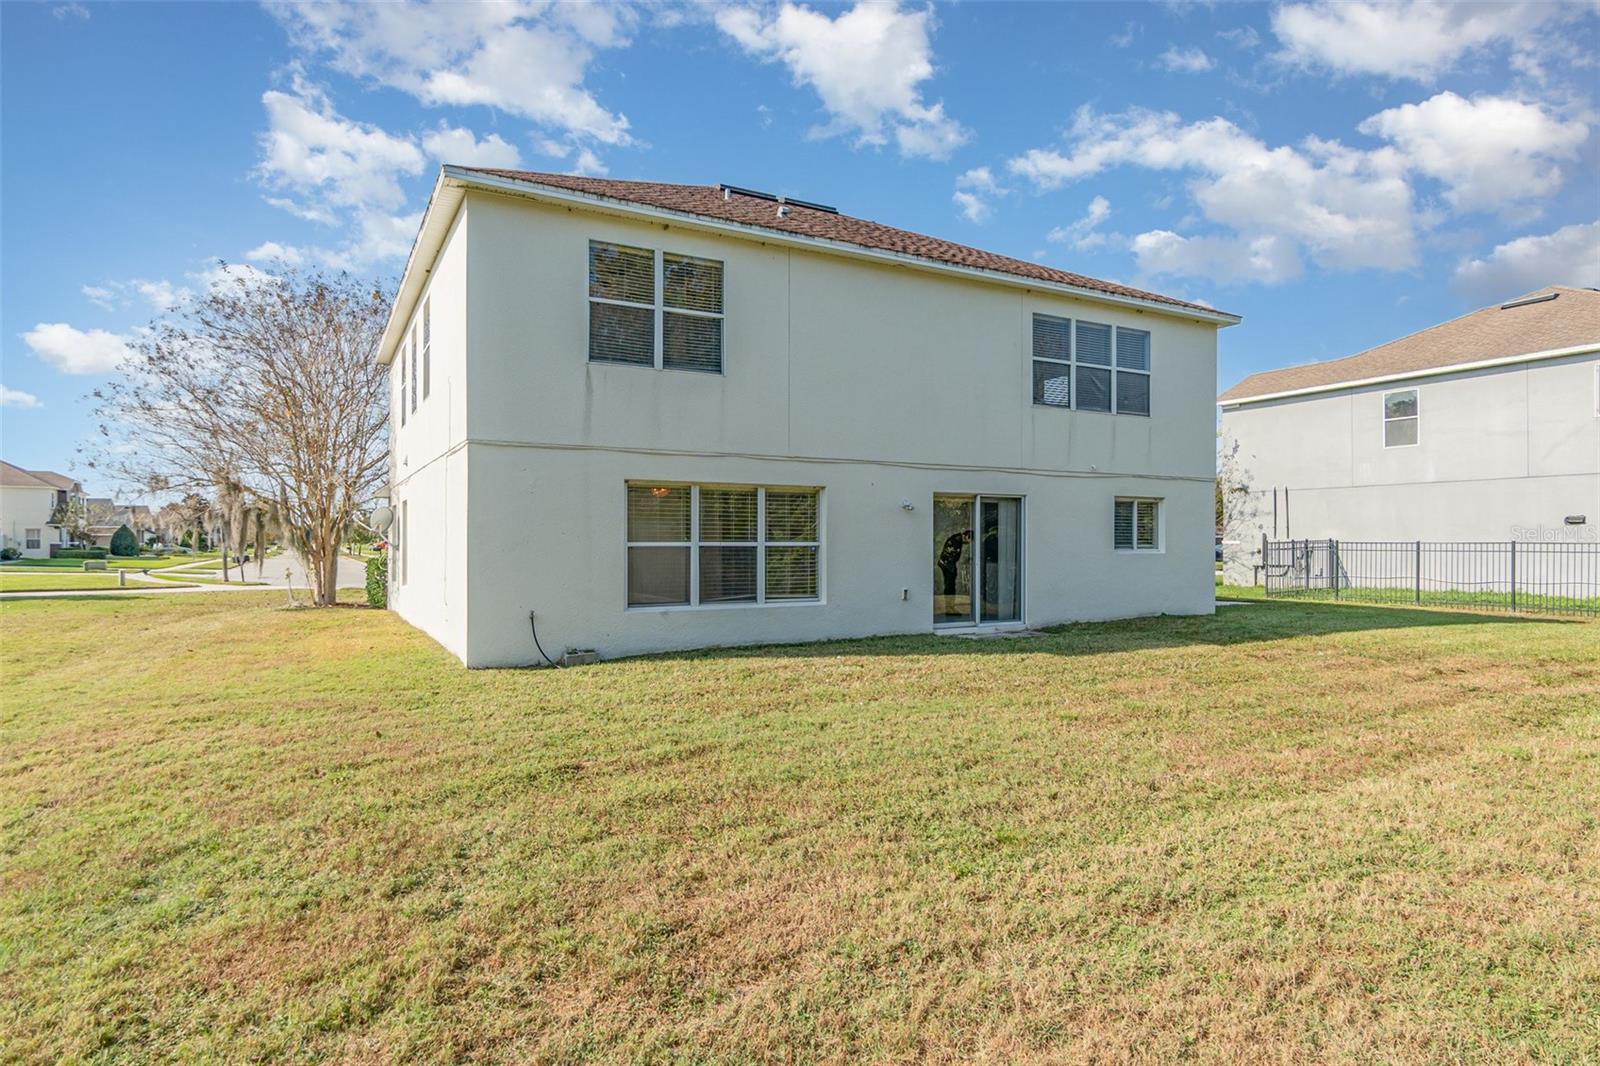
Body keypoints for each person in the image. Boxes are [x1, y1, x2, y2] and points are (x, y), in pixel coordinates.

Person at [938, 529, 971, 596]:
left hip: (946, 563)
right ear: (967, 536)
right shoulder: (957, 540)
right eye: (970, 540)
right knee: (950, 585)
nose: (969, 543)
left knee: (949, 584)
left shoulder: (956, 538)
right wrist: (951, 568)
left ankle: (949, 601)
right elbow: (951, 554)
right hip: (947, 564)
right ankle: (949, 603)